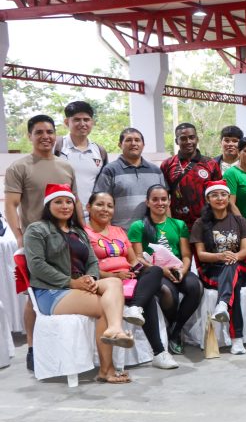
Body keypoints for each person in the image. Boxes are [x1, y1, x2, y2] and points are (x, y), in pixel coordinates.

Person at [23, 183, 134, 383]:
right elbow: (37, 265)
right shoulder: (37, 229)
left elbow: (92, 260)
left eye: (69, 202)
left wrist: (91, 278)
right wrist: (72, 282)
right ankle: (106, 370)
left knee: (114, 284)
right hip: (52, 292)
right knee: (104, 307)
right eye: (58, 202)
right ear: (48, 205)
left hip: (81, 284)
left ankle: (114, 329)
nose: (65, 206)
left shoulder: (78, 230)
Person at [4, 115, 78, 371]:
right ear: (30, 136)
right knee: (34, 295)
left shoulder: (65, 166)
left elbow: (74, 202)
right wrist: (20, 237)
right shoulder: (20, 167)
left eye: (49, 131)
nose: (45, 136)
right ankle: (33, 347)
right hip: (36, 241)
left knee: (70, 289)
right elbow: (11, 205)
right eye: (39, 132)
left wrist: (80, 233)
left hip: (66, 240)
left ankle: (64, 345)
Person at [83, 191, 175, 369]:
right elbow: (86, 268)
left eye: (109, 206)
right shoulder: (84, 234)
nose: (105, 209)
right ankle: (159, 352)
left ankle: (134, 308)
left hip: (129, 280)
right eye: (99, 204)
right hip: (107, 284)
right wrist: (114, 276)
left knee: (154, 271)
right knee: (145, 299)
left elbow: (133, 260)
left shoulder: (119, 231)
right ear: (88, 207)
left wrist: (137, 269)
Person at [128, 185, 204, 356]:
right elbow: (138, 258)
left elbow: (186, 254)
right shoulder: (138, 226)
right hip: (154, 272)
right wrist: (161, 270)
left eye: (163, 199)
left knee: (196, 287)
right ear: (147, 202)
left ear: (169, 201)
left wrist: (184, 270)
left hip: (177, 268)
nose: (160, 203)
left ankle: (176, 330)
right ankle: (171, 325)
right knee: (168, 293)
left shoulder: (179, 224)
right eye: (155, 199)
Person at [190, 181, 246, 355]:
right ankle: (237, 339)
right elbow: (201, 255)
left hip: (239, 267)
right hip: (211, 270)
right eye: (215, 195)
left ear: (228, 197)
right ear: (208, 199)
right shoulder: (200, 224)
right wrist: (220, 256)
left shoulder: (239, 221)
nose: (220, 198)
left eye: (223, 194)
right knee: (231, 286)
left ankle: (223, 304)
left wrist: (233, 256)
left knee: (231, 266)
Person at [92, 127, 166, 229]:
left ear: (143, 145)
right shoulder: (110, 170)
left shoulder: (156, 171)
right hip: (121, 234)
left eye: (137, 140)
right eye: (128, 140)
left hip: (152, 233)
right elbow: (99, 203)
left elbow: (165, 203)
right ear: (119, 144)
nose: (133, 143)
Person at [160, 123, 223, 229]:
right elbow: (164, 197)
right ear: (176, 141)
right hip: (178, 225)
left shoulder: (210, 164)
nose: (188, 142)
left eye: (191, 137)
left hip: (207, 223)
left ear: (197, 139)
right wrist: (168, 223)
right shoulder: (167, 165)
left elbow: (219, 194)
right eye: (183, 138)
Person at [55, 101, 107, 204]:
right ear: (66, 122)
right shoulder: (56, 146)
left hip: (90, 215)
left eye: (86, 120)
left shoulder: (100, 151)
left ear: (92, 122)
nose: (82, 124)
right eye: (77, 120)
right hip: (62, 214)